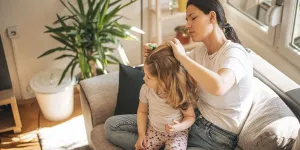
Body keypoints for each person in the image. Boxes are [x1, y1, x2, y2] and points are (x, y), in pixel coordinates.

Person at [105, 0, 253, 149]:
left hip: (214, 136)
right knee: (112, 126)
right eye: (187, 20)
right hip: (185, 122)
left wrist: (183, 57)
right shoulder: (200, 51)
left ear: (212, 17)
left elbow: (219, 86)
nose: (188, 25)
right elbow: (170, 64)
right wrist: (155, 52)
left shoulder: (235, 54)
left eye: (193, 18)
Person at [135, 45, 198, 150]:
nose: (143, 78)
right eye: (144, 74)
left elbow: (190, 117)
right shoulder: (146, 89)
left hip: (177, 134)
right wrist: (141, 134)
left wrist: (179, 127)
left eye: (148, 77)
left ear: (164, 80)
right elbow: (142, 112)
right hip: (154, 130)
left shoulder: (179, 92)